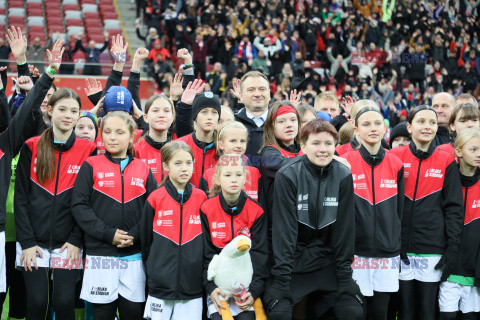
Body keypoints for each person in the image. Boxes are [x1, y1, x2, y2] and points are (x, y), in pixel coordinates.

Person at [265, 119, 364, 320]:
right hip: (294, 266)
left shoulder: (343, 175)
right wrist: (282, 280)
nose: (323, 150)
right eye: (316, 143)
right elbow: (285, 230)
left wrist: (345, 277)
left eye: (328, 144)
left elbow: (344, 230)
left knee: (353, 312)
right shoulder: (288, 174)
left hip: (328, 265)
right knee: (279, 314)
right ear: (303, 146)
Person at [15, 84, 97, 320]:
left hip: (68, 244)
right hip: (33, 244)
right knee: (38, 303)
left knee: (63, 303)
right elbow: (21, 198)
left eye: (74, 111)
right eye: (62, 109)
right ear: (50, 110)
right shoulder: (31, 146)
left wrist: (75, 240)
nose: (68, 116)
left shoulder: (89, 150)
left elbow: (88, 202)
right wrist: (27, 242)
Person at [72, 111, 157, 319]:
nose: (112, 137)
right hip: (100, 255)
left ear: (131, 137)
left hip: (133, 256)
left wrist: (135, 235)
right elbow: (79, 206)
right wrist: (108, 234)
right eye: (107, 132)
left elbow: (152, 208)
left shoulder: (143, 169)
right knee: (102, 314)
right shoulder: (90, 165)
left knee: (132, 313)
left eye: (119, 132)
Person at [0, 27, 61, 316]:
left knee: (15, 299)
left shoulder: (7, 143)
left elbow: (29, 111)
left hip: (13, 229)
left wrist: (31, 66)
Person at [390, 106, 463, 320]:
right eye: (421, 122)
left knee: (426, 312)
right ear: (410, 128)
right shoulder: (395, 156)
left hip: (432, 250)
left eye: (432, 122)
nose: (427, 126)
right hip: (400, 250)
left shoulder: (446, 160)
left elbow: (454, 209)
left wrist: (452, 249)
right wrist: (395, 242)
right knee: (404, 311)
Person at [343, 107, 405, 320]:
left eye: (378, 123)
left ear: (385, 128)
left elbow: (400, 210)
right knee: (357, 312)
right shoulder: (345, 162)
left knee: (380, 312)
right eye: (366, 124)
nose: (373, 128)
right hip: (356, 253)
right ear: (356, 129)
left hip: (387, 253)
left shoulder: (396, 163)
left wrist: (395, 241)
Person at [141, 141, 207, 320]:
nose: (184, 168)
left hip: (192, 286)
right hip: (160, 286)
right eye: (177, 163)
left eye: (188, 163)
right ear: (165, 165)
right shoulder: (155, 198)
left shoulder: (202, 197)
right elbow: (146, 243)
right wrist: (154, 271)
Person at [201, 154, 267, 320]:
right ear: (217, 179)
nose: (234, 180)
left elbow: (260, 254)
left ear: (245, 178)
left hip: (246, 285)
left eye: (238, 175)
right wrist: (210, 287)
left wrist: (254, 290)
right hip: (218, 285)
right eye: (228, 175)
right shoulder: (207, 209)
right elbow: (205, 253)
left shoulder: (256, 211)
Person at [438, 129, 480, 319]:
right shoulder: (445, 179)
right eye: (473, 149)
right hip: (448, 271)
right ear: (458, 151)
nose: (479, 154)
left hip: (474, 272)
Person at [259, 101, 303, 226]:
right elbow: (279, 164)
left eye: (293, 120)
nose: (289, 125)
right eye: (281, 121)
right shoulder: (269, 152)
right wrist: (312, 160)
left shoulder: (306, 150)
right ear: (271, 127)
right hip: (280, 225)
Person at [200, 121, 261, 201]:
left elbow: (261, 207)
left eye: (242, 141)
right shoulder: (209, 174)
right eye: (233, 141)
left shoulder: (255, 173)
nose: (239, 145)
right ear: (221, 144)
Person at [176, 90, 221, 187]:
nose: (209, 117)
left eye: (214, 112)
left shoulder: (224, 147)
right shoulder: (180, 144)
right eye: (204, 112)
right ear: (195, 116)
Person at [134, 95, 177, 184]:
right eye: (155, 110)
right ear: (145, 117)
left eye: (166, 111)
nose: (161, 115)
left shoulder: (178, 150)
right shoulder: (135, 150)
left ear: (172, 118)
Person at [233, 71, 270, 163]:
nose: (257, 94)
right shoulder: (231, 122)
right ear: (241, 95)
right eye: (251, 90)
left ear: (269, 93)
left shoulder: (281, 121)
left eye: (262, 89)